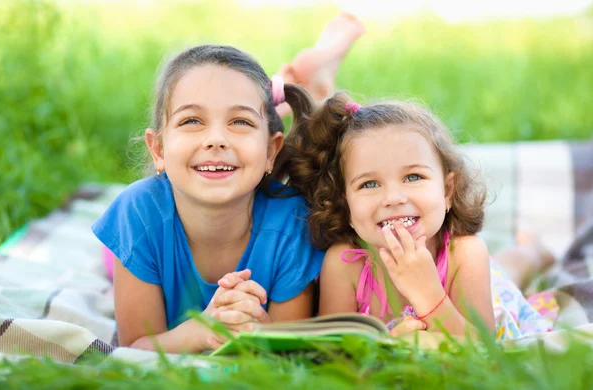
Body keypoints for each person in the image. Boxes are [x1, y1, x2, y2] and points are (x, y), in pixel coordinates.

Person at [92, 44, 324, 354]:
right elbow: (134, 349)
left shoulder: (294, 225)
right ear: (158, 149)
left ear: (271, 151)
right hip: (147, 240)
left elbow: (289, 356)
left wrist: (255, 330)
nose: (216, 139)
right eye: (192, 121)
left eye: (240, 122)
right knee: (116, 254)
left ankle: (319, 84)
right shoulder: (136, 215)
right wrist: (201, 330)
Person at [279, 94, 557, 339]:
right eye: (369, 184)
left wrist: (428, 294)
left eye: (413, 177)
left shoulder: (465, 253)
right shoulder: (343, 264)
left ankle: (534, 249)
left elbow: (482, 352)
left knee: (512, 268)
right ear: (345, 205)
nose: (393, 198)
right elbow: (335, 354)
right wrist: (388, 350)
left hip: (490, 300)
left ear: (447, 191)